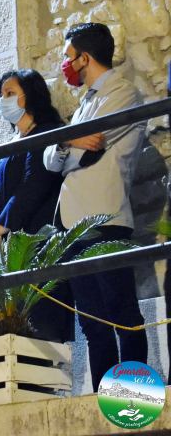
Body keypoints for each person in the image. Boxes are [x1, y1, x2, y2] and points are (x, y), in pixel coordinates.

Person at [43, 22, 147, 390]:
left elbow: (95, 147)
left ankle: (134, 398)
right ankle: (105, 398)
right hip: (73, 222)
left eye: (68, 57)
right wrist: (69, 141)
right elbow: (50, 160)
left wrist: (67, 146)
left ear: (84, 58)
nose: (65, 65)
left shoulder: (123, 92)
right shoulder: (85, 103)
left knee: (122, 313)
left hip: (105, 216)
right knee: (92, 321)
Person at [0, 69, 71, 342]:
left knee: (43, 331)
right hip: (4, 251)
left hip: (37, 246)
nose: (3, 100)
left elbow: (34, 184)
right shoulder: (6, 146)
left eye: (10, 93)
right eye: (1, 94)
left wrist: (0, 226)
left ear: (31, 95)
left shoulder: (46, 133)